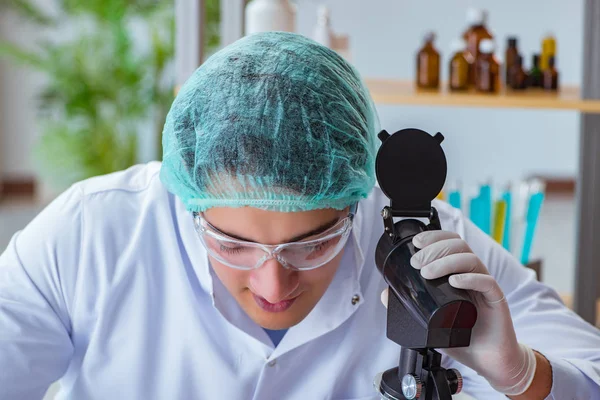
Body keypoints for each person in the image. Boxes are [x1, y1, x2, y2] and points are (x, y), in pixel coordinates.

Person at [0, 32, 599, 400]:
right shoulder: (90, 234)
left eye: (313, 242)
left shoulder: (421, 241)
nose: (272, 284)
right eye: (231, 243)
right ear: (187, 200)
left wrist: (524, 376)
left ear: (356, 197)